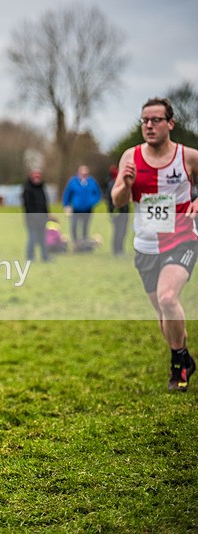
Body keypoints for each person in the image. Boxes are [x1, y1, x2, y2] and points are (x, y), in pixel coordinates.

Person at [112, 97, 198, 392]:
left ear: (170, 123)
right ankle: (184, 356)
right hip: (146, 245)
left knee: (167, 298)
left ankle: (178, 367)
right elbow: (117, 200)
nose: (148, 125)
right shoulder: (130, 157)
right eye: (144, 120)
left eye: (155, 120)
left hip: (182, 238)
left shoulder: (187, 156)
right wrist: (125, 183)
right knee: (163, 315)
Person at [62, 165, 102, 250]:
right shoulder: (73, 182)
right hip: (75, 209)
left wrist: (92, 202)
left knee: (85, 227)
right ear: (78, 173)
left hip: (87, 209)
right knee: (74, 226)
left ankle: (84, 245)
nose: (84, 175)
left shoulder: (91, 182)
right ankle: (75, 244)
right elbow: (67, 194)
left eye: (85, 173)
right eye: (82, 173)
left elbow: (97, 194)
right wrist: (66, 205)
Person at [22, 168, 50, 262]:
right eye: (35, 176)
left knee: (43, 238)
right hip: (32, 219)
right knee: (32, 238)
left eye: (38, 176)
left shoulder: (42, 188)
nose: (37, 178)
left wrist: (47, 215)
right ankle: (30, 257)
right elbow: (28, 206)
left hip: (42, 219)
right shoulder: (27, 189)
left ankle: (45, 256)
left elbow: (45, 204)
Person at [105, 164, 129, 256]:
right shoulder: (113, 184)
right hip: (118, 212)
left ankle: (119, 249)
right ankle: (117, 250)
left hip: (123, 211)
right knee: (119, 231)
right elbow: (112, 200)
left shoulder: (119, 183)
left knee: (122, 231)